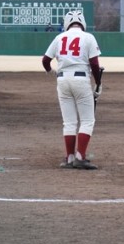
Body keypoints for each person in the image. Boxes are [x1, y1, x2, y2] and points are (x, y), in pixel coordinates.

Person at [42, 10, 103, 170]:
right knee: (87, 120)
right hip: (81, 78)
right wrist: (98, 82)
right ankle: (80, 156)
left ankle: (69, 158)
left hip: (62, 79)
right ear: (82, 23)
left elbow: (45, 60)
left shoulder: (59, 37)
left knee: (69, 122)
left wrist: (50, 71)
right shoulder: (88, 37)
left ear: (66, 23)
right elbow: (95, 64)